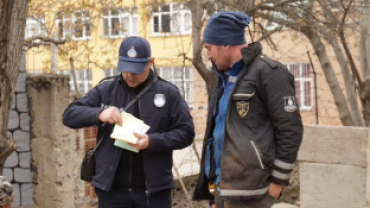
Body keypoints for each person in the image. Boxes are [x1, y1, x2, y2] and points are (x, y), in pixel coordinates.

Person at [63, 36, 195, 208]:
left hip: (154, 193)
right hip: (112, 192)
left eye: (136, 70)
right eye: (126, 69)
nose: (130, 75)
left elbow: (186, 133)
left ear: (150, 62)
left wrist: (152, 141)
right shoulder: (106, 90)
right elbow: (69, 115)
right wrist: (100, 113)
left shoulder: (168, 93)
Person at [193, 11, 303, 208]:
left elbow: (290, 129)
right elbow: (216, 136)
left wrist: (277, 181)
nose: (207, 55)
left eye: (209, 48)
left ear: (225, 44)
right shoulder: (222, 78)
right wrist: (213, 192)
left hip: (255, 192)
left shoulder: (269, 72)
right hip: (222, 189)